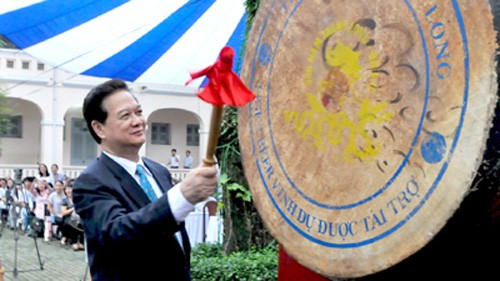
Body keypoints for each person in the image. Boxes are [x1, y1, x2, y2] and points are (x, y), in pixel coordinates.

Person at [73, 79, 218, 281]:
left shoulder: (159, 171)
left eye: (139, 112)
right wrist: (182, 197)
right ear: (99, 128)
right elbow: (118, 234)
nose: (138, 121)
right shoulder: (90, 182)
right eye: (125, 115)